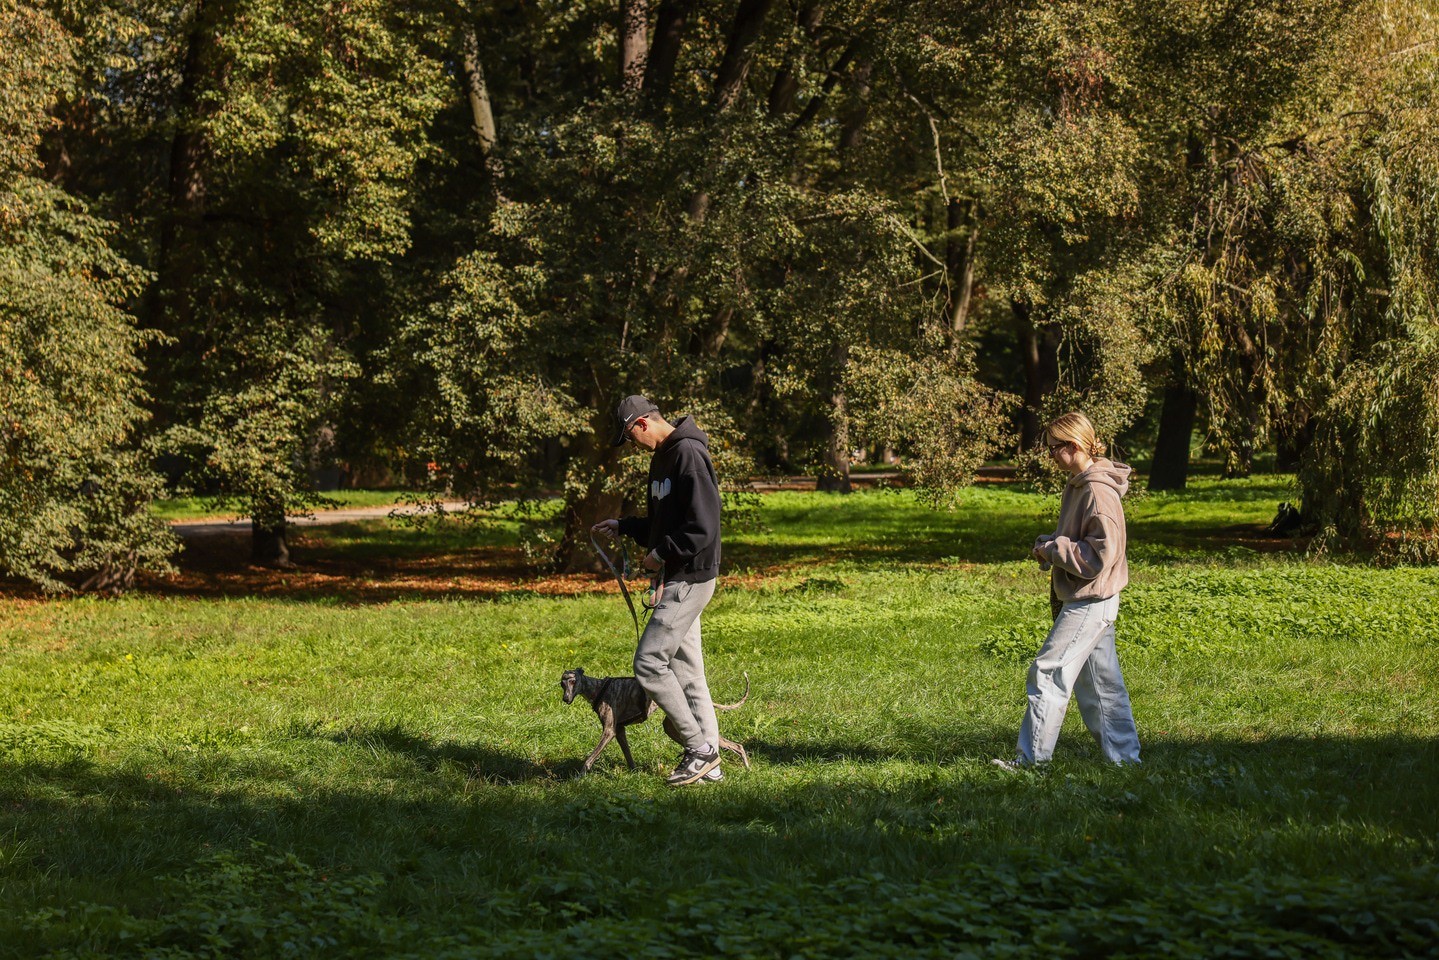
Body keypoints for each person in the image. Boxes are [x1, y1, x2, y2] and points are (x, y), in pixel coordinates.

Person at [995, 412, 1141, 769]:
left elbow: (1099, 555)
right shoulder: (1078, 484)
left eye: (1053, 448)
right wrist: (1052, 543)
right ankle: (1125, 762)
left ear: (1073, 446)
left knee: (1048, 671)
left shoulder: (1096, 491)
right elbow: (1080, 539)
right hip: (1091, 596)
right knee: (1101, 686)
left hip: (1090, 598)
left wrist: (1053, 549)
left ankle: (1031, 763)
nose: (1050, 456)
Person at [592, 395, 725, 787]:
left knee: (649, 662)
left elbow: (702, 526)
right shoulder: (663, 457)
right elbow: (664, 521)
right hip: (679, 575)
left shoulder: (688, 455)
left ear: (642, 424)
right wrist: (627, 526)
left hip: (690, 577)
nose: (632, 446)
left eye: (630, 437)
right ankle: (711, 767)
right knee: (687, 672)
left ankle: (700, 750)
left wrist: (660, 554)